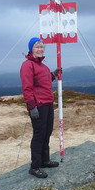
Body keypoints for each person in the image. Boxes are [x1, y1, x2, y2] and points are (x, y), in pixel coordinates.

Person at [20, 37, 61, 178]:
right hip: (38, 106)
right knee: (39, 135)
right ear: (31, 49)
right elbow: (27, 87)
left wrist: (53, 75)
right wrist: (32, 107)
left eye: (42, 47)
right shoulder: (27, 65)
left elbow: (43, 81)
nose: (40, 49)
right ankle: (35, 166)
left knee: (47, 132)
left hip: (48, 103)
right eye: (37, 47)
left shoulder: (44, 67)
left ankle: (45, 160)